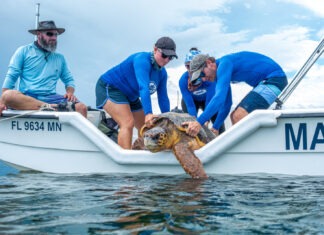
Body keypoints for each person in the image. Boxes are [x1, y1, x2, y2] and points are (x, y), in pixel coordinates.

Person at [95, 36, 177, 149]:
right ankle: (125, 159)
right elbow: (144, 88)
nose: (167, 60)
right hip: (110, 87)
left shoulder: (162, 73)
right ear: (155, 49)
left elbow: (163, 97)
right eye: (164, 55)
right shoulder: (142, 60)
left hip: (131, 96)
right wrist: (148, 113)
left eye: (170, 57)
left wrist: (168, 119)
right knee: (127, 123)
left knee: (147, 127)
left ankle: (141, 155)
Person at [183, 51, 288, 137]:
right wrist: (215, 127)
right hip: (265, 82)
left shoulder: (224, 64)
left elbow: (219, 99)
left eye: (202, 74)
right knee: (234, 116)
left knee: (239, 116)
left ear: (209, 63)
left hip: (275, 78)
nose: (204, 79)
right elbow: (227, 104)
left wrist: (198, 122)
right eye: (200, 78)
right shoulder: (221, 73)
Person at [0, 21, 87, 117]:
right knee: (8, 95)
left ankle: (49, 107)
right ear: (39, 34)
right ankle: (49, 107)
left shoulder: (60, 58)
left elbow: (69, 79)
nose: (54, 38)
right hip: (27, 97)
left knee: (81, 107)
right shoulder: (23, 51)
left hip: (51, 97)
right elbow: (12, 76)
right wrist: (2, 102)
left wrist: (70, 92)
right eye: (49, 34)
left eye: (56, 35)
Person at [179, 47, 225, 134]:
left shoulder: (208, 77)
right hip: (191, 102)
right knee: (189, 124)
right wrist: (194, 121)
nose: (192, 70)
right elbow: (190, 106)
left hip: (208, 100)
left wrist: (206, 119)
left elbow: (210, 100)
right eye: (188, 66)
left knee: (217, 120)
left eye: (195, 67)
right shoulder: (183, 81)